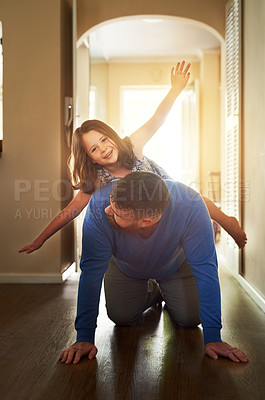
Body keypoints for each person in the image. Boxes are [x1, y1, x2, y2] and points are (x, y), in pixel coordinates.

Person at [18, 61, 247, 255]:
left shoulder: (133, 144)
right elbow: (71, 210)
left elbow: (158, 118)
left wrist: (176, 89)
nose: (104, 149)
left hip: (163, 192)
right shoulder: (97, 177)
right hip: (139, 218)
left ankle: (228, 222)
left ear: (113, 136)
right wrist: (41, 239)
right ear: (92, 159)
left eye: (105, 140)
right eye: (94, 149)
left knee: (193, 198)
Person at [59, 171, 248, 364]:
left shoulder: (191, 205)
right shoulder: (100, 204)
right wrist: (84, 337)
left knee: (190, 319)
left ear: (146, 221)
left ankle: (165, 290)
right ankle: (154, 292)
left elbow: (206, 270)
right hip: (125, 266)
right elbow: (91, 272)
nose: (108, 210)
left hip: (174, 265)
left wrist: (213, 337)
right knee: (121, 317)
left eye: (117, 213)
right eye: (111, 204)